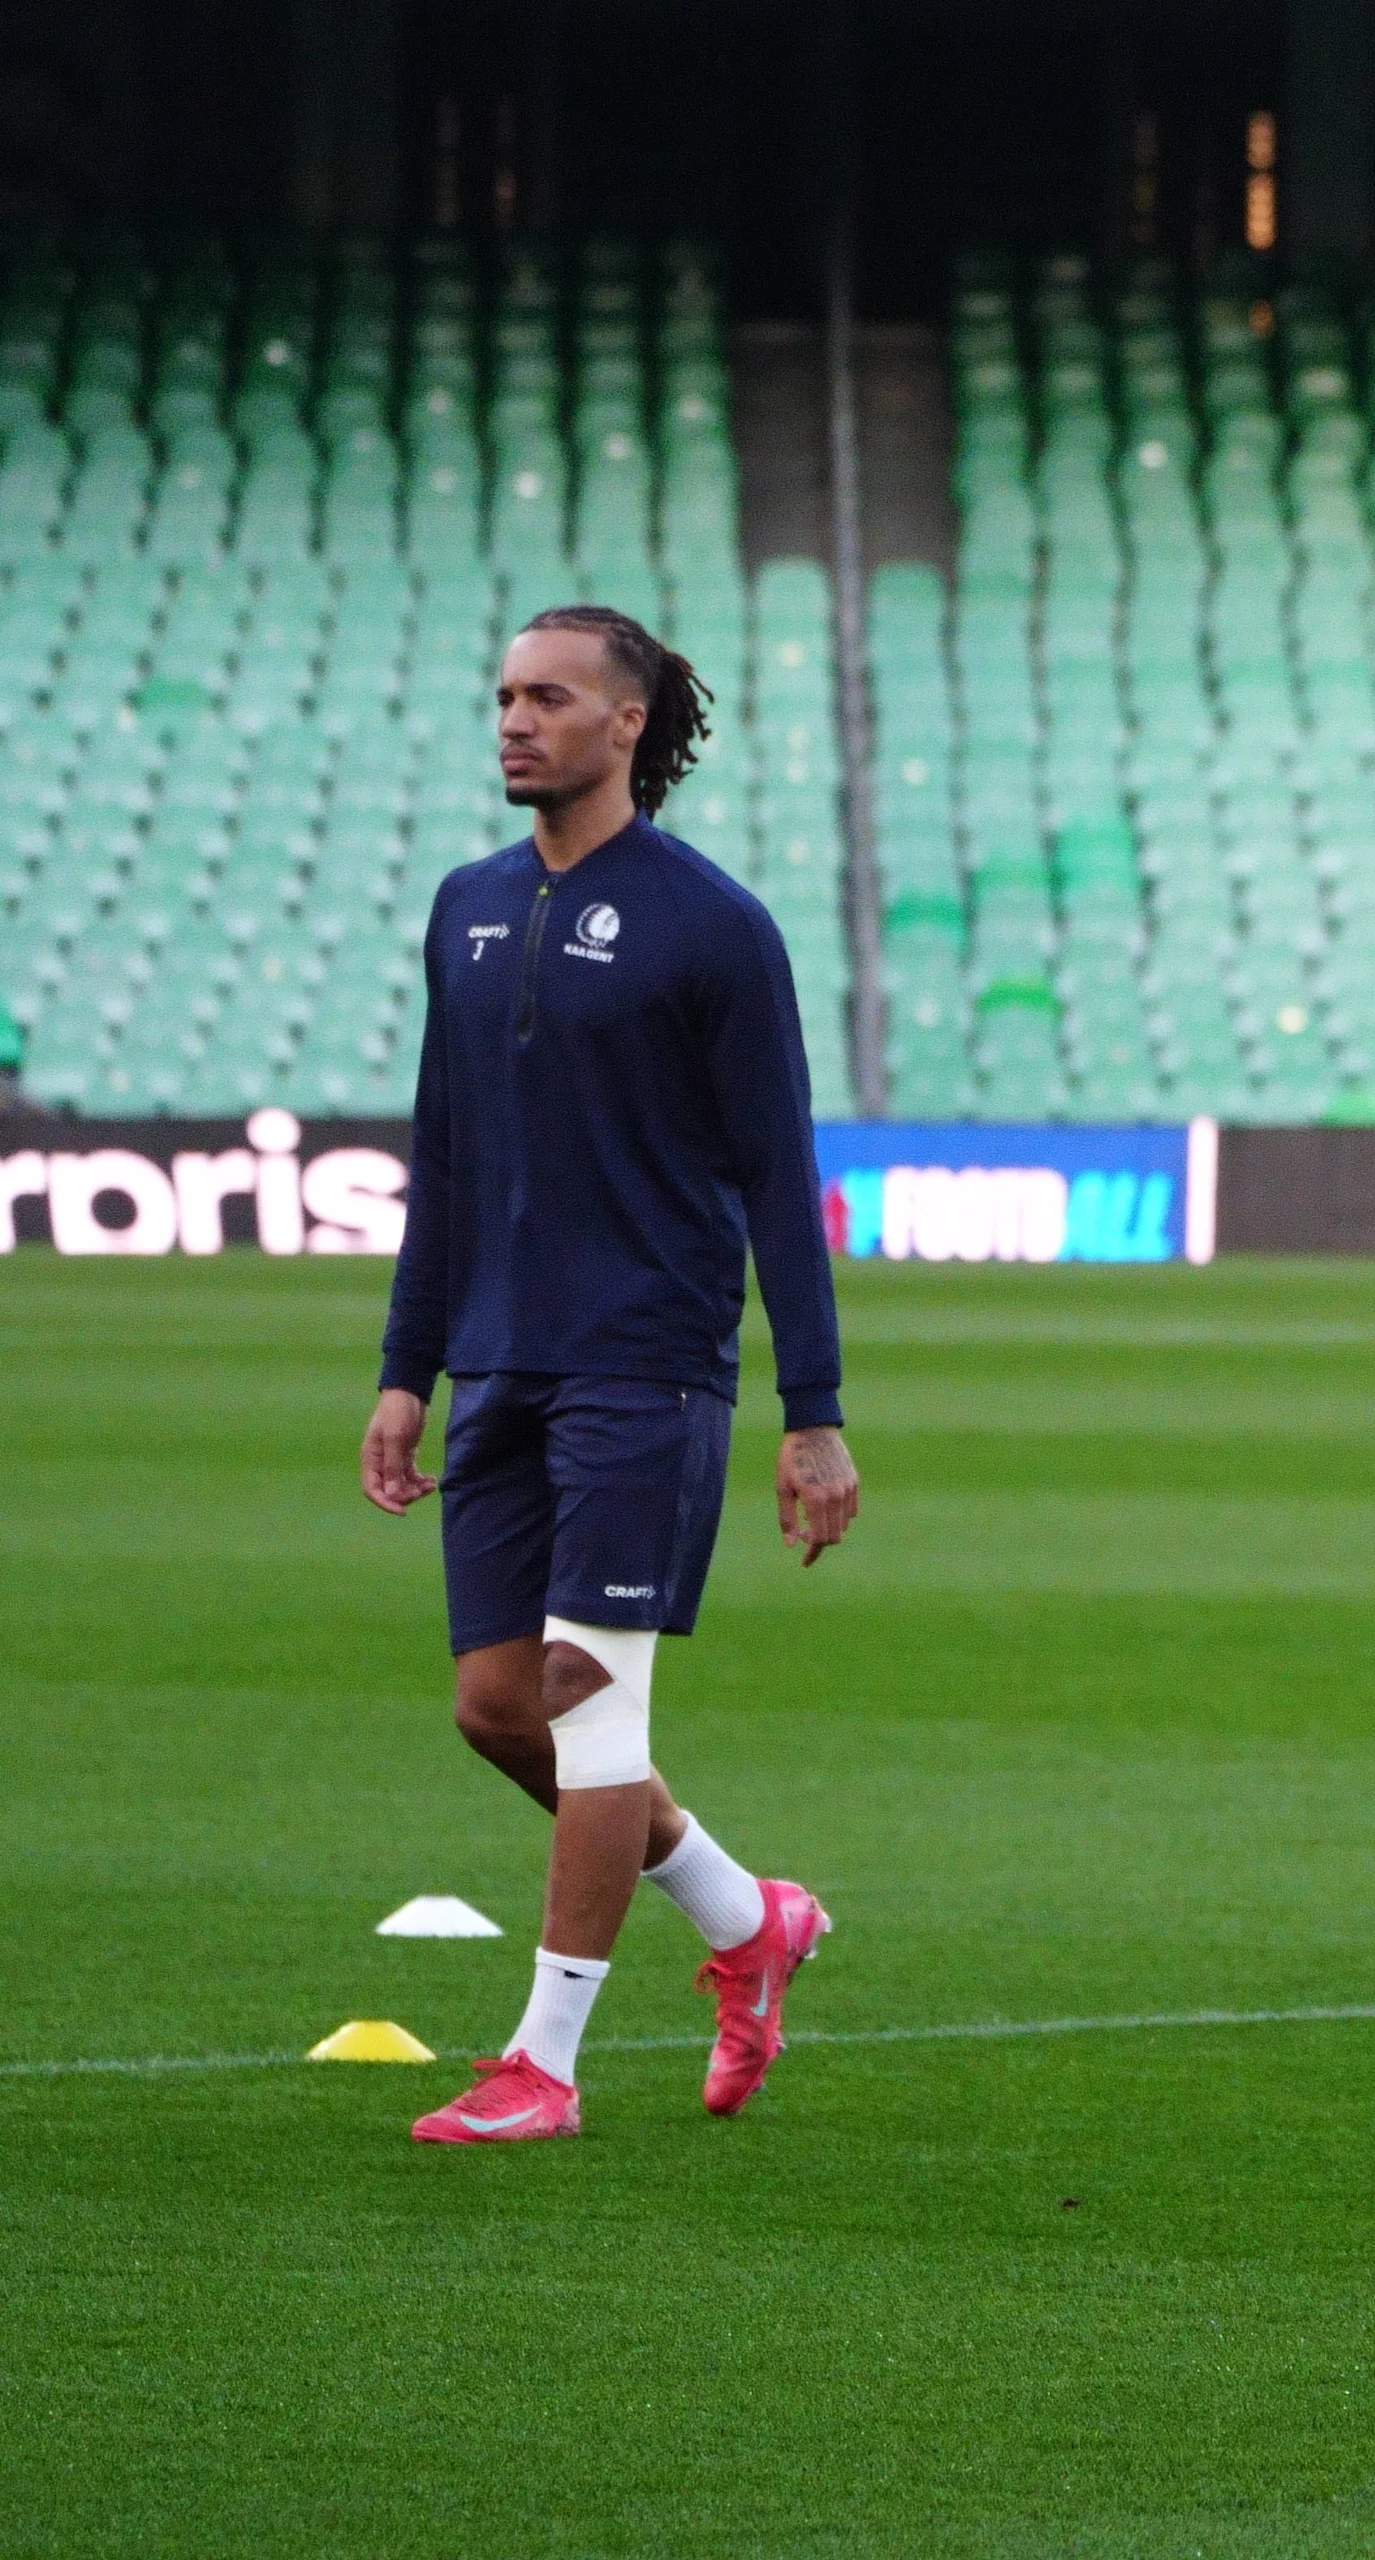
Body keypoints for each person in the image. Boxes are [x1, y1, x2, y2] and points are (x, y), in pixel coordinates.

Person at [361, 607, 858, 2146]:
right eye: (504, 694)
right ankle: (744, 1918)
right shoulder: (465, 908)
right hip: (501, 1359)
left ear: (626, 723)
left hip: (647, 1366)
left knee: (587, 1698)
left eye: (551, 697)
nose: (517, 721)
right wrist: (406, 1369)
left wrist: (815, 1414)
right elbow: (444, 1155)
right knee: (497, 1706)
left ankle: (545, 2064)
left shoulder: (714, 926)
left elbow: (782, 1178)